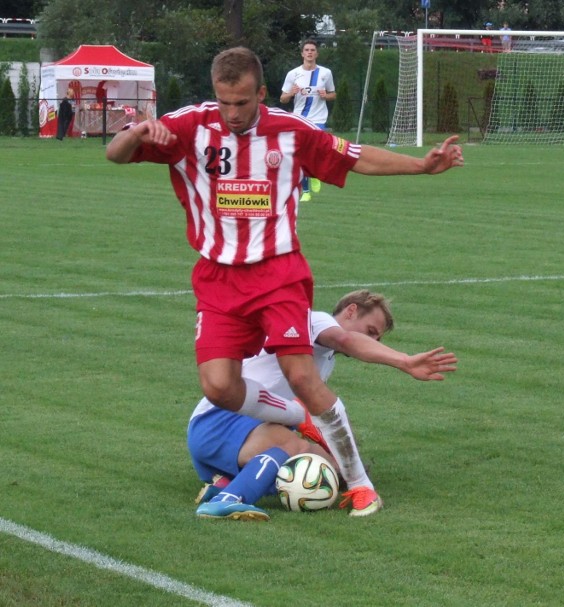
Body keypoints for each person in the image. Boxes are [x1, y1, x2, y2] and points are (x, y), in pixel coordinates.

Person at [105, 46, 463, 519]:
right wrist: (136, 133)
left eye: (243, 102)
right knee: (217, 387)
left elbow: (356, 158)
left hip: (279, 274)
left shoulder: (292, 133)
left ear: (262, 93)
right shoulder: (190, 126)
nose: (232, 113)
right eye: (224, 101)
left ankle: (361, 487)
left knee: (301, 374)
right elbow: (114, 154)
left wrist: (421, 164)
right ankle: (299, 421)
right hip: (217, 278)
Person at [190, 290, 458, 521]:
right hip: (219, 420)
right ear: (351, 311)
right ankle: (227, 499)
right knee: (290, 446)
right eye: (371, 332)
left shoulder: (324, 360)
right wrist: (404, 361)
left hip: (240, 434)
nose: (372, 342)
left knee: (332, 469)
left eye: (377, 339)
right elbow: (346, 340)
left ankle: (224, 484)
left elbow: (310, 414)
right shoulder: (317, 322)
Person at [280, 39, 336, 202]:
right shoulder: (293, 74)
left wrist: (327, 96)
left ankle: (315, 174)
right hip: (299, 118)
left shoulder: (325, 73)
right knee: (301, 153)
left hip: (318, 118)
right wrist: (291, 93)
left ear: (317, 53)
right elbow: (283, 99)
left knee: (316, 150)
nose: (310, 52)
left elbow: (333, 94)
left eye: (312, 50)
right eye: (307, 50)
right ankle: (305, 191)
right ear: (302, 53)